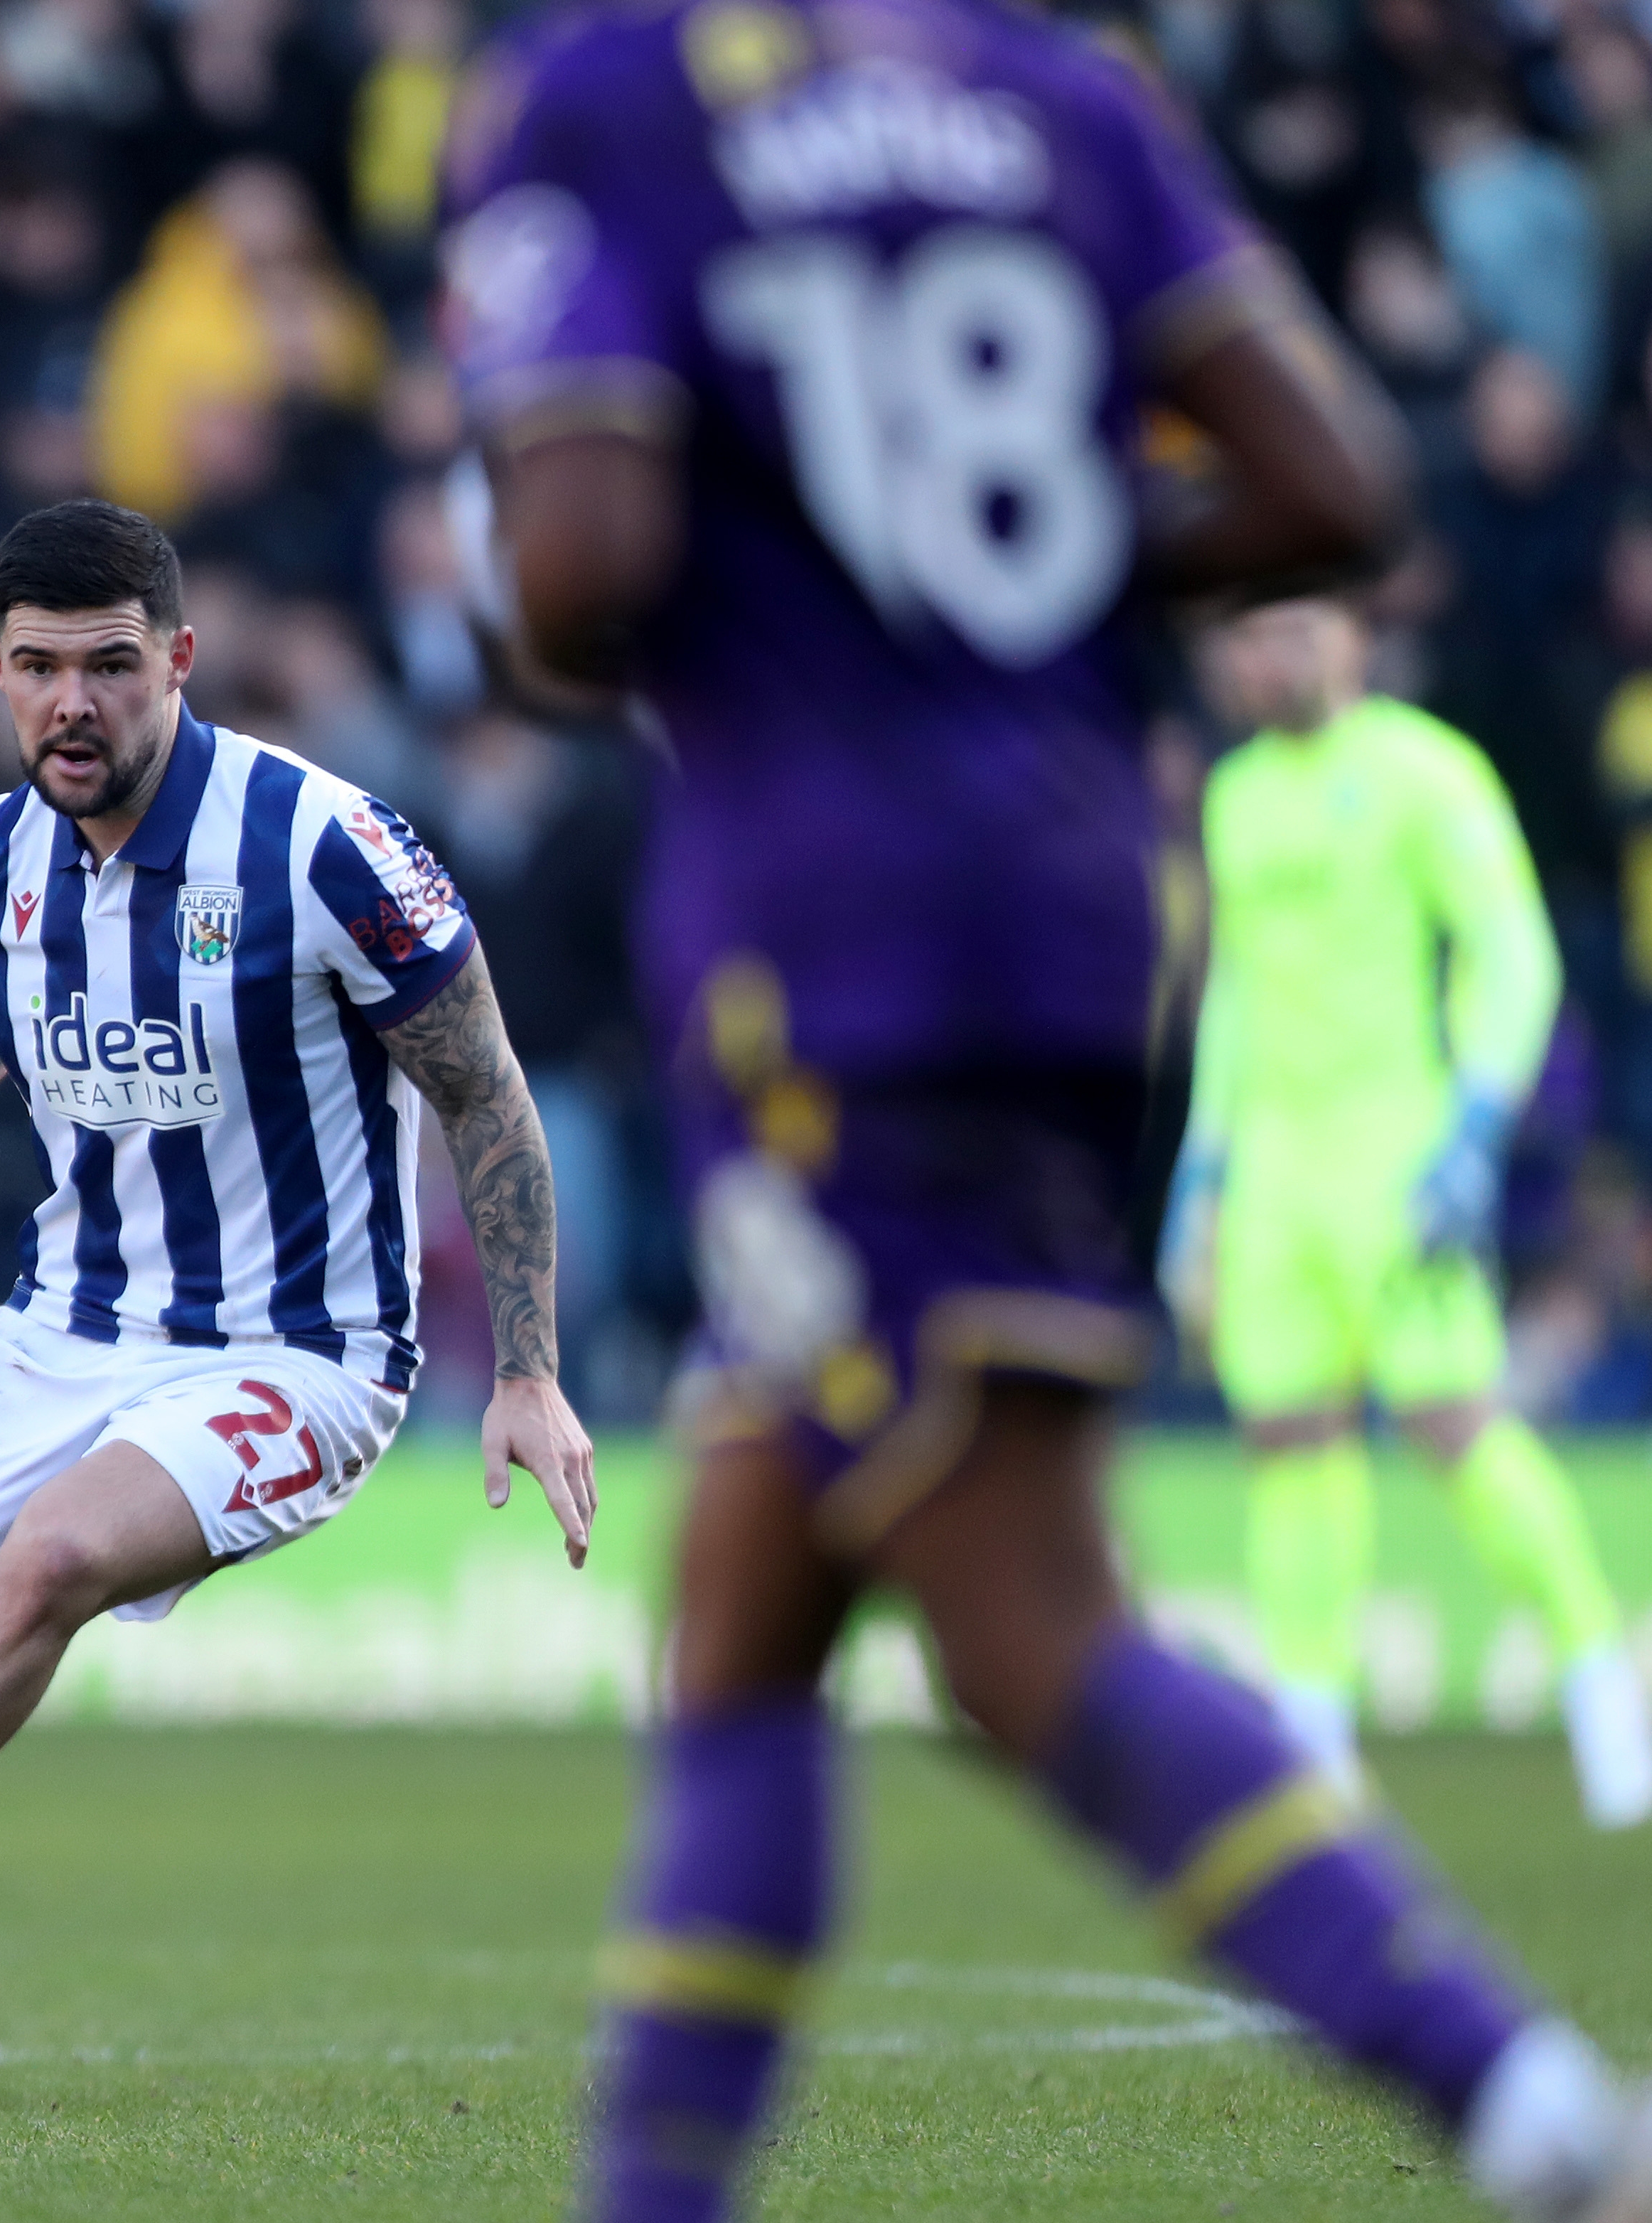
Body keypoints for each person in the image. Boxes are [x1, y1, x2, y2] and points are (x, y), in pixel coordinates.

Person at [452, 0, 1652, 2215]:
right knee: (746, 1608)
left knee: (1024, 1631)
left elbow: (578, 578)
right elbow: (1332, 486)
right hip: (1083, 914)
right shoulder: (1062, 98)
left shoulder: (602, 94)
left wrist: (808, 596)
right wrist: (1048, 602)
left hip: (827, 948)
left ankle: (1527, 2105)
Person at [0, 497, 597, 2095]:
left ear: (179, 663)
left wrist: (526, 1364)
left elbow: (486, 1092)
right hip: (62, 1329)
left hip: (299, 1350)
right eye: (37, 669)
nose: (71, 703)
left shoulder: (322, 844)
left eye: (108, 666)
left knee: (56, 1554)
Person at [1169, 596, 1652, 1825]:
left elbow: (1515, 951)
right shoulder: (1235, 797)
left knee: (1455, 1424)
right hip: (1273, 1179)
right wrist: (1203, 1177)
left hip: (1396, 1156)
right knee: (1288, 1448)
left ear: (1345, 631)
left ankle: (1601, 1674)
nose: (1257, 654)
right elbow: (1227, 1001)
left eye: (1281, 627)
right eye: (1243, 635)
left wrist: (1474, 1127)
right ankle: (1315, 1744)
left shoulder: (1425, 775)